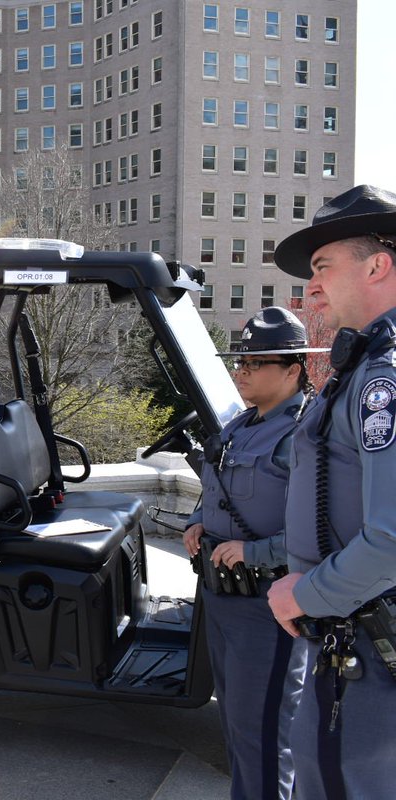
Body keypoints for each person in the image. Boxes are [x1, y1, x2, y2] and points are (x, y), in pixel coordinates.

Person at [269, 184, 396, 798]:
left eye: (323, 266)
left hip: (371, 651)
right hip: (351, 637)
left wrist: (304, 593)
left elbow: (392, 540)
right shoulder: (366, 365)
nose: (311, 286)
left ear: (377, 265)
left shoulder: (383, 378)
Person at [182, 307, 323, 800]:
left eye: (254, 362)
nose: (240, 371)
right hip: (224, 599)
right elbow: (224, 489)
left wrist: (255, 549)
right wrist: (200, 521)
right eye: (239, 362)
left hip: (269, 605)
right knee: (240, 729)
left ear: (292, 369)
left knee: (266, 735)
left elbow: (327, 532)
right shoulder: (242, 425)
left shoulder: (306, 433)